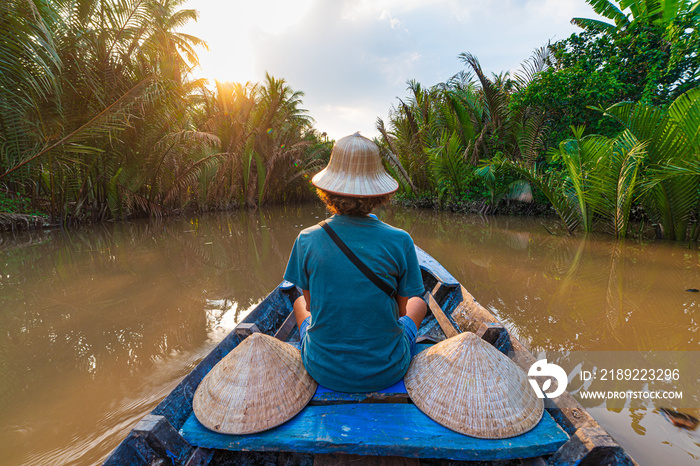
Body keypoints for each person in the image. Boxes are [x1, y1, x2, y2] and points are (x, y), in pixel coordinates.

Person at [283, 132, 427, 393]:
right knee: (418, 302)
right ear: (378, 194)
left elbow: (312, 305)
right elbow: (401, 312)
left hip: (322, 368)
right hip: (387, 368)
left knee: (297, 303)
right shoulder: (400, 240)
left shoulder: (307, 239)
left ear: (327, 190)